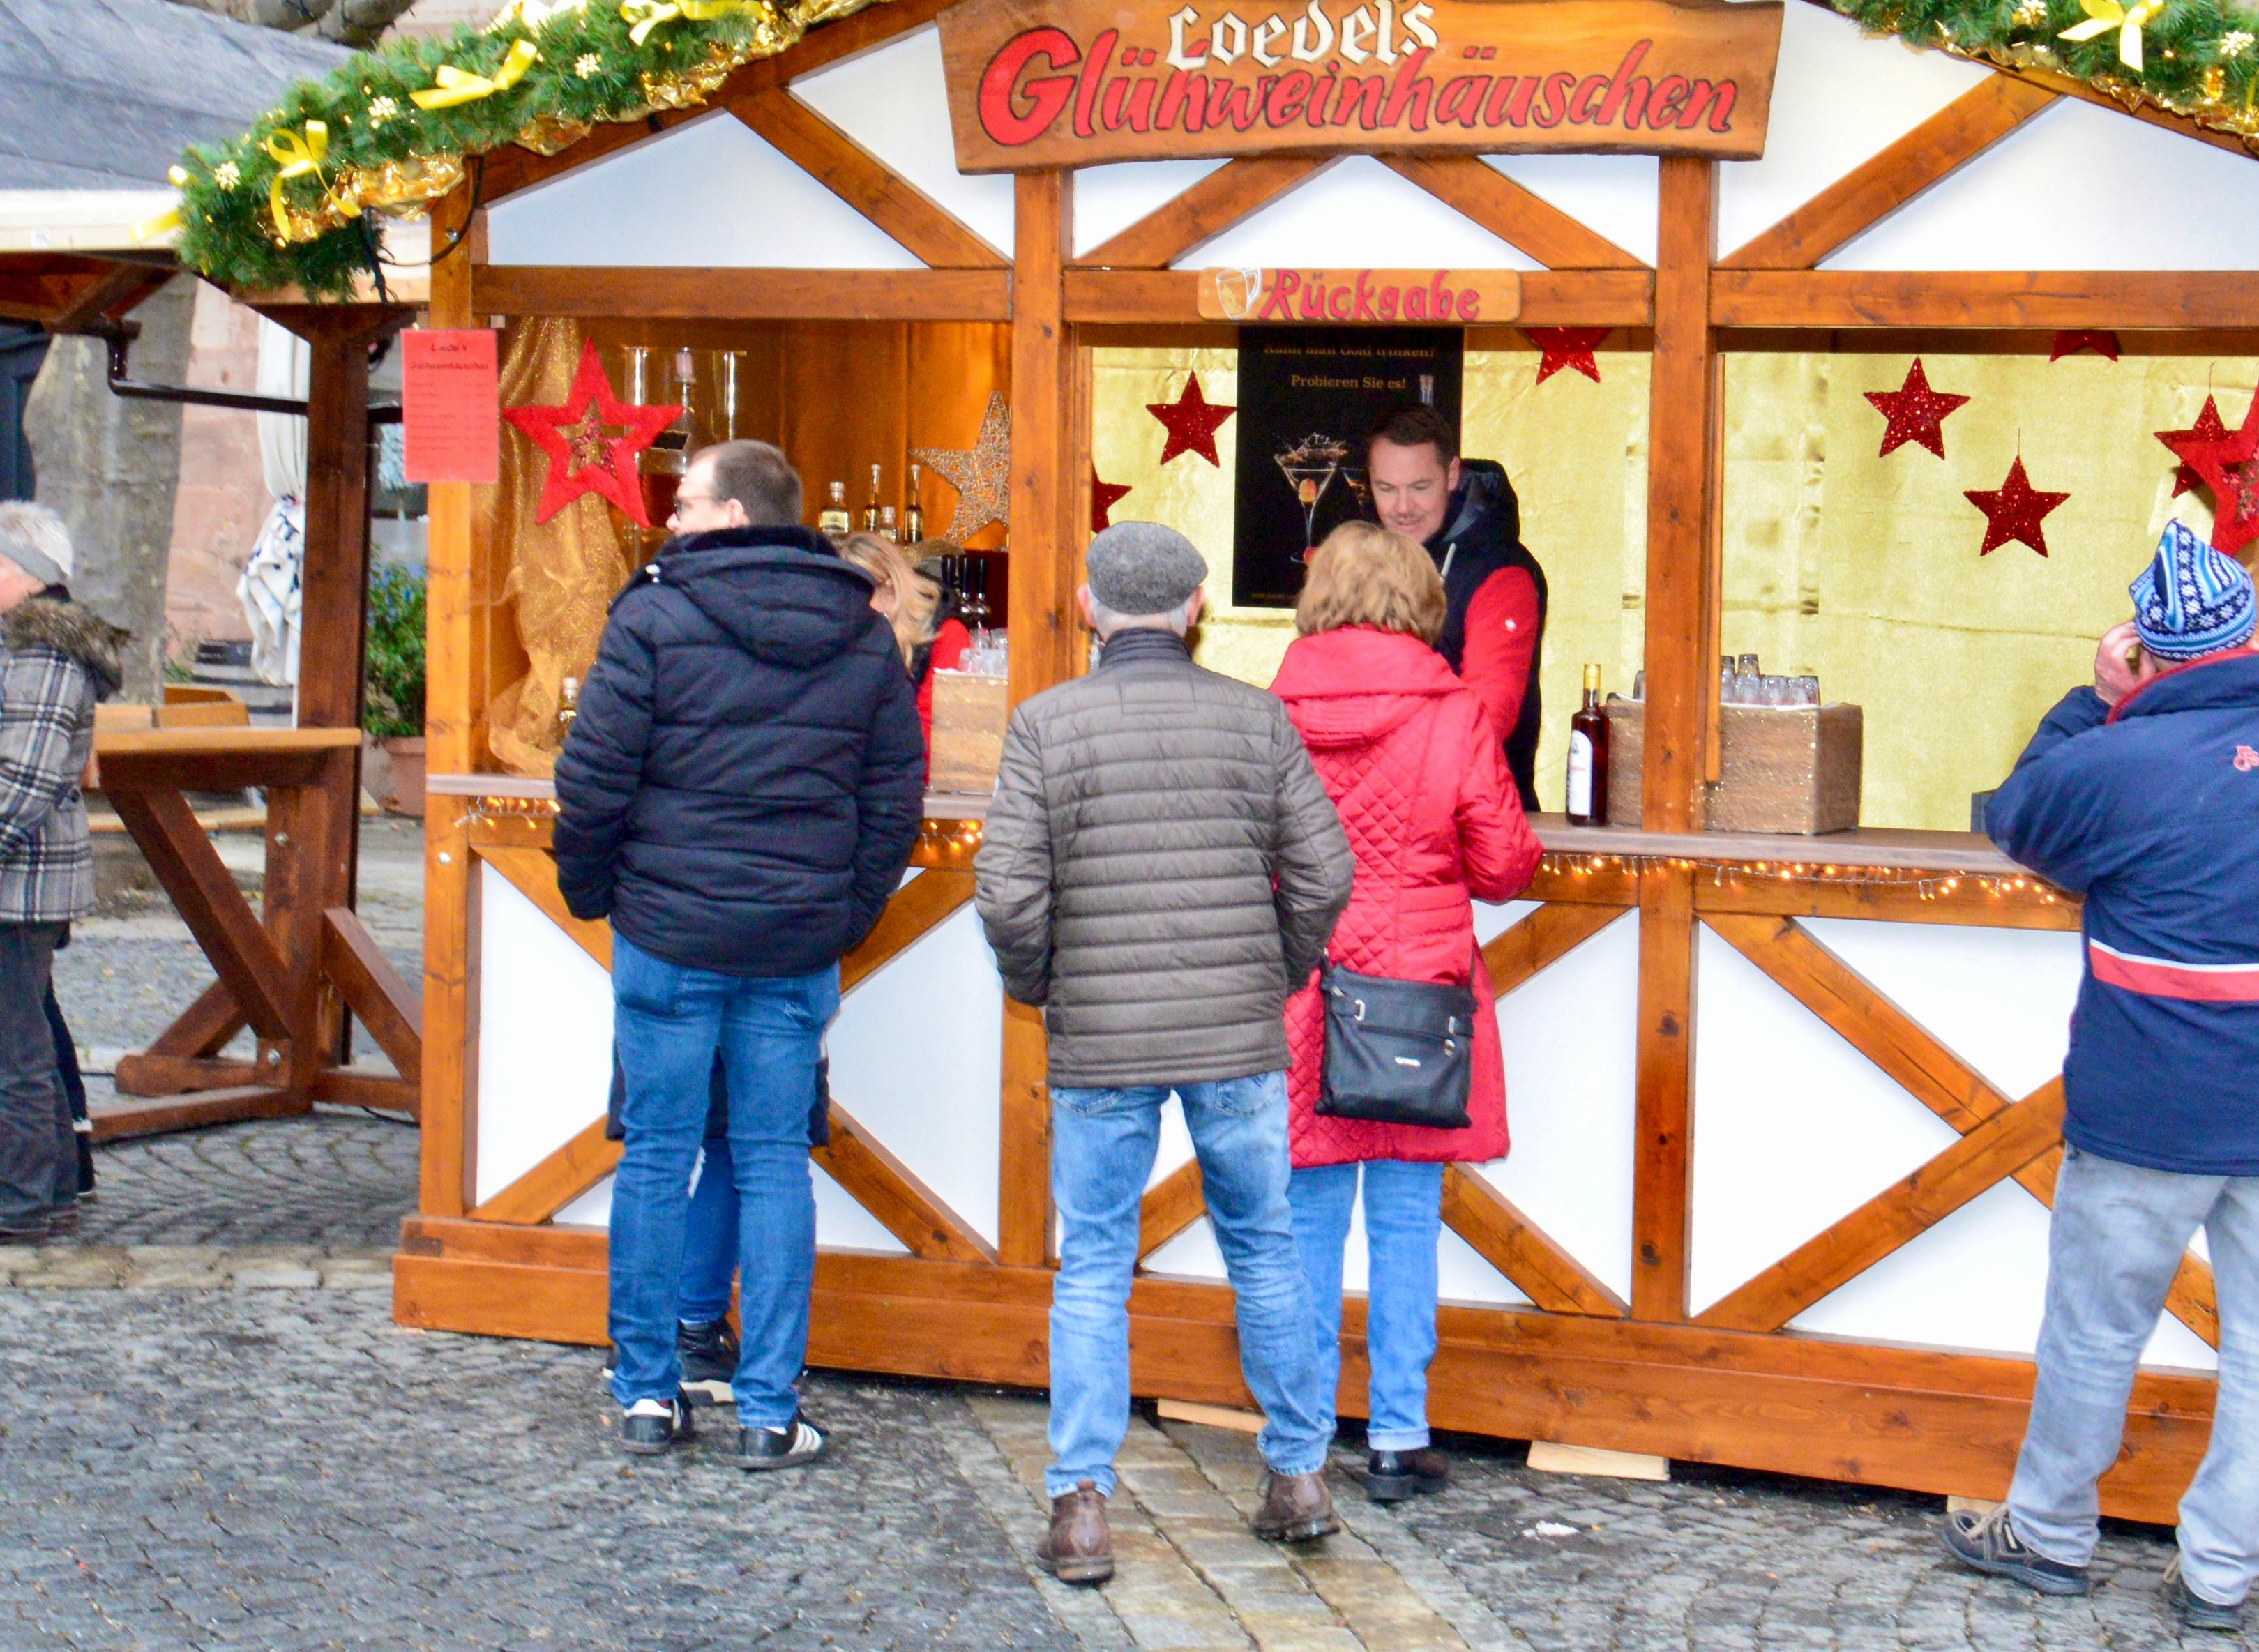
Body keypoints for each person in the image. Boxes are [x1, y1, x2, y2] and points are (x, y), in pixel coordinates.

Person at [1947, 523, 2259, 1632]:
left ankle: (2047, 1536)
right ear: (2249, 636)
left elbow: (2020, 813)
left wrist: (2094, 698)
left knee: (2093, 1330)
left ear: (2147, 651)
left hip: (2140, 1110)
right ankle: (2221, 1573)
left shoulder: (2111, 760)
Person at [974, 521, 1354, 1585]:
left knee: (1093, 1262)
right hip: (1236, 1033)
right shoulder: (1257, 719)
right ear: (1196, 611)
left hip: (1100, 1038)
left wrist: (1039, 983)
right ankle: (1297, 1477)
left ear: (1089, 607)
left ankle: (1083, 1506)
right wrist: (1272, 975)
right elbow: (1326, 875)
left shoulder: (1044, 725)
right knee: (1267, 1249)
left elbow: (1007, 894)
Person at [555, 439, 923, 1467]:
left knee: (658, 1158)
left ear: (730, 517)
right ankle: (767, 1411)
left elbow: (592, 781)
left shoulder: (653, 616)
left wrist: (599, 896)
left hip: (669, 934)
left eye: (684, 507)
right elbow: (895, 797)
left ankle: (645, 1397)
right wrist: (845, 913)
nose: (668, 523)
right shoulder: (860, 634)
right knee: (771, 1165)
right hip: (792, 939)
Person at [1268, 522, 1541, 1502]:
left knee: (1301, 1221)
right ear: (1421, 600)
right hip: (1417, 997)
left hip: (1302, 990)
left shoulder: (1273, 707)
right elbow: (1505, 864)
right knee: (1404, 1221)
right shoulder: (1454, 708)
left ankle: (1294, 1444)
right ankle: (1397, 1435)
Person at [0, 503, 121, 1243]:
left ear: (27, 574)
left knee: (14, 1053)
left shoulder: (46, 652)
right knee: (23, 1041)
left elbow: (24, 780)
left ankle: (22, 1202)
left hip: (20, 880)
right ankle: (46, 1191)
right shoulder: (26, 644)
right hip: (21, 875)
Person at [1363, 407, 1546, 808]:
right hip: (1372, 813)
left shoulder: (1501, 571)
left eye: (1420, 487)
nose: (1403, 507)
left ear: (1452, 475)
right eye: (1386, 488)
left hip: (1476, 821)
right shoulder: (1362, 559)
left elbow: (1488, 715)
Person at [836, 531, 969, 753]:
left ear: (889, 585)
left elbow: (933, 733)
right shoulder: (851, 631)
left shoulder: (948, 634)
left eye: (858, 597)